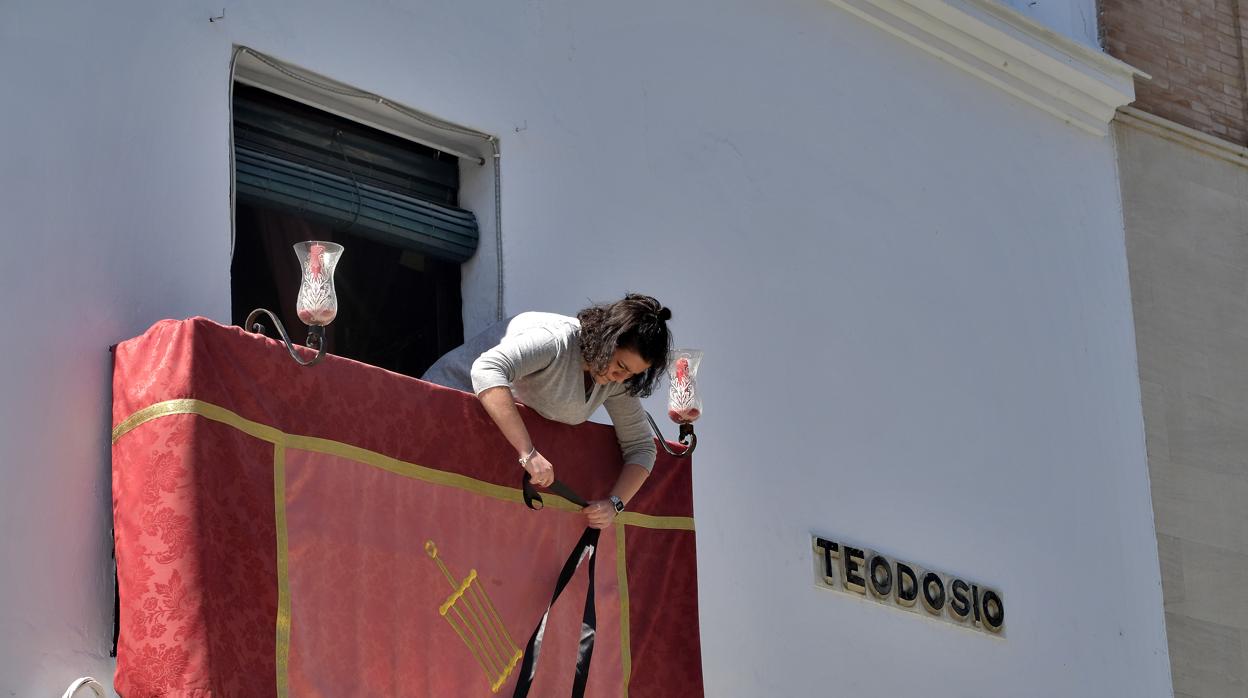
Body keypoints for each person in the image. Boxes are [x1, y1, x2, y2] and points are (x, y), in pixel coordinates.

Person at [422, 293, 672, 529]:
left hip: (482, 445)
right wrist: (527, 453)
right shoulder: (556, 341)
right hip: (439, 413)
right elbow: (486, 371)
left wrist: (615, 504)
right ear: (608, 339)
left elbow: (641, 447)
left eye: (632, 373)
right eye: (620, 365)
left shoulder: (616, 381)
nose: (622, 377)